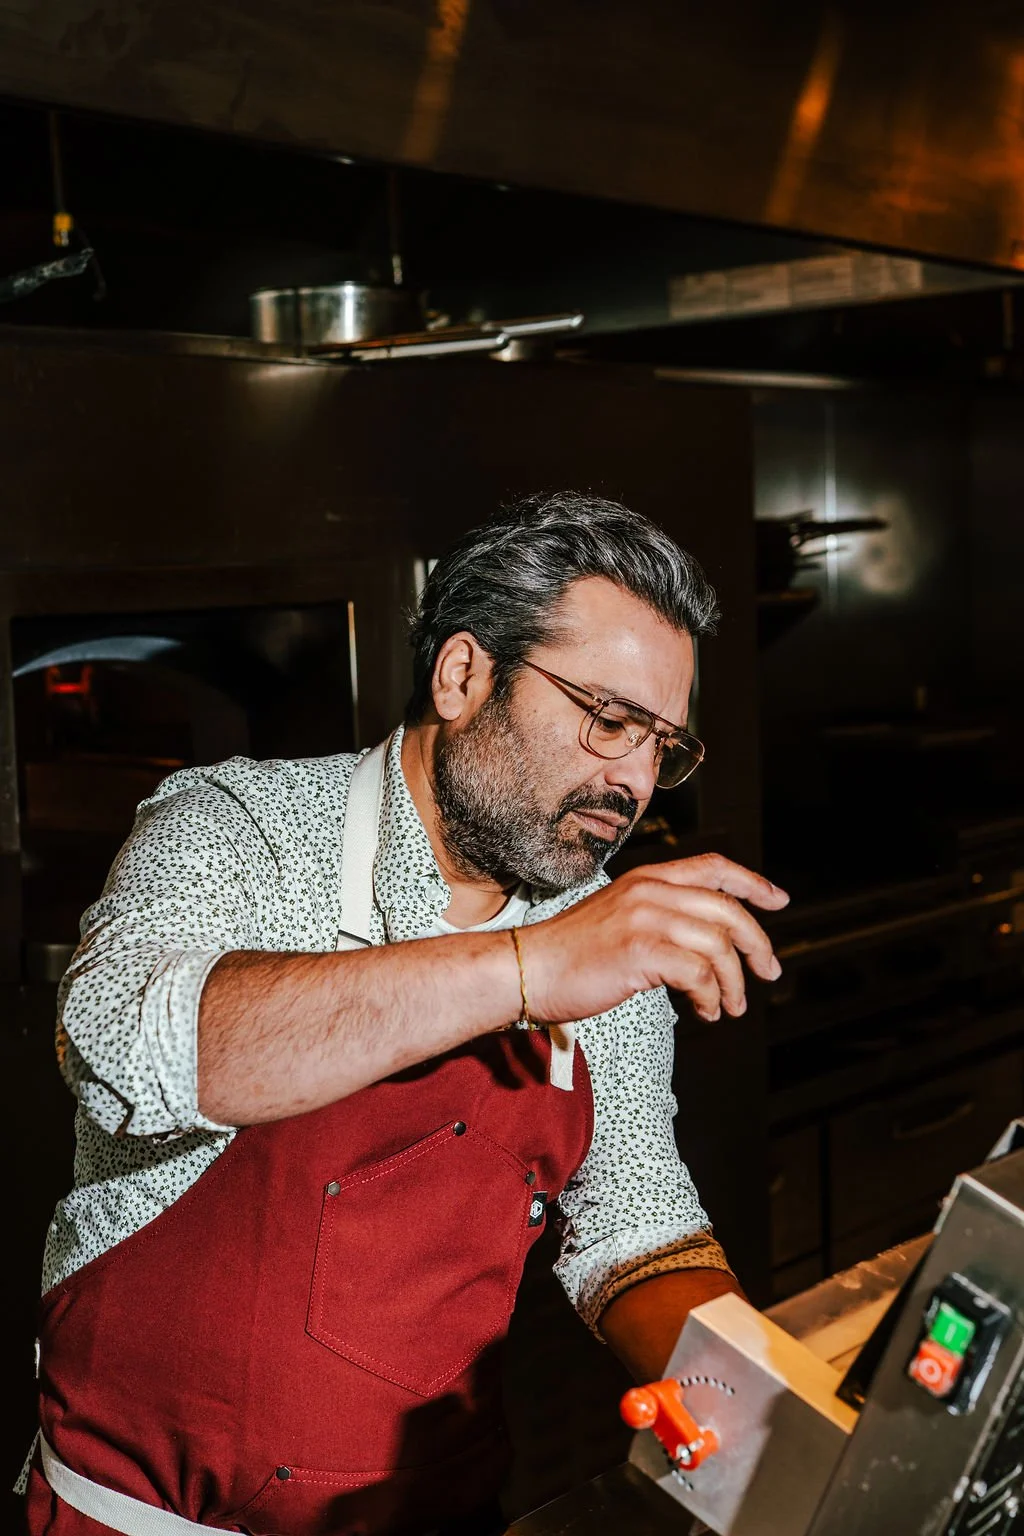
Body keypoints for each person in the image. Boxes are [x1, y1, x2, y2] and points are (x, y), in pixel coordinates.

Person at [23, 492, 788, 1536]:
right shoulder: (241, 827)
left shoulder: (597, 932)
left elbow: (633, 1219)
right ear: (463, 675)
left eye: (663, 743)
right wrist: (526, 965)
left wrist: (753, 1416)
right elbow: (124, 1051)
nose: (634, 781)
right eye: (607, 721)